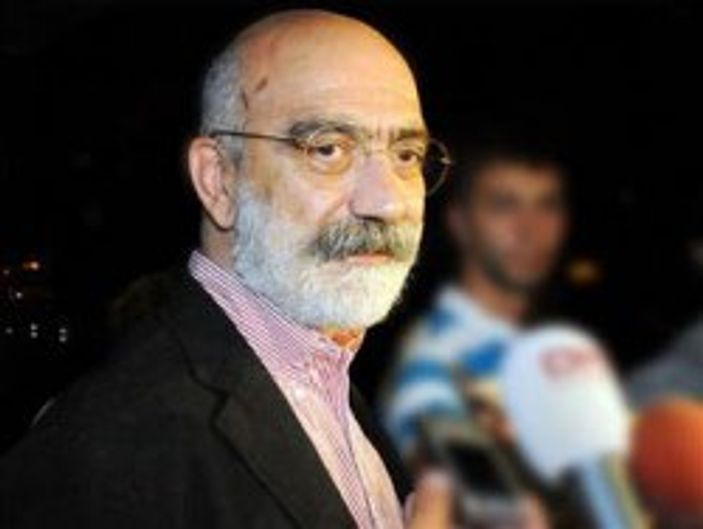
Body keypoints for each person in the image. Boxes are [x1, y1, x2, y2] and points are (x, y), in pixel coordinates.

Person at [0, 10, 457, 529]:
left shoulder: (328, 378)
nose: (388, 202)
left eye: (406, 155)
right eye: (328, 149)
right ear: (218, 179)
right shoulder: (104, 451)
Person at [382, 135, 569, 461]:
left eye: (547, 205)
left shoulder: (552, 349)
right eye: (504, 205)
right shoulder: (433, 365)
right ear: (459, 223)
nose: (531, 229)